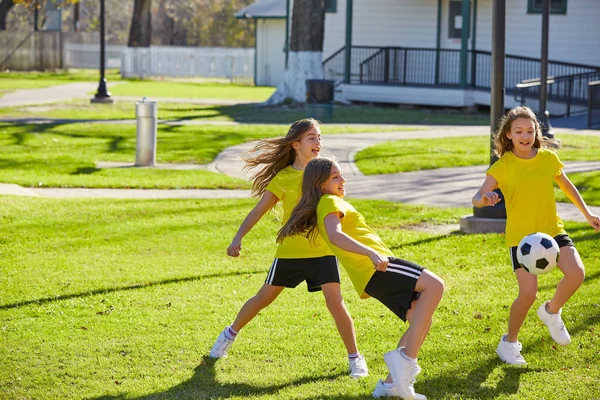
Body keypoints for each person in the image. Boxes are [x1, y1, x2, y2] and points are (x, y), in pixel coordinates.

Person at [209, 118, 368, 378]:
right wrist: (237, 238)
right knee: (263, 299)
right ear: (296, 144)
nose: (318, 143)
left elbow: (339, 202)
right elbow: (258, 211)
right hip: (290, 252)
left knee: (336, 303)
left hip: (322, 251)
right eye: (311, 138)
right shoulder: (283, 178)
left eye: (319, 137)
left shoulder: (325, 171)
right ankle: (228, 335)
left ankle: (355, 359)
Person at [278, 157, 444, 400]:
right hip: (377, 268)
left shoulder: (327, 202)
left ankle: (390, 386)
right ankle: (406, 360)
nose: (343, 180)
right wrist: (371, 252)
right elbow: (335, 236)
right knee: (436, 285)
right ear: (320, 185)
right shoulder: (330, 201)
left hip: (371, 274)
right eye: (335, 177)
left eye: (341, 174)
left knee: (420, 318)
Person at [472, 106, 600, 365]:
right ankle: (509, 343)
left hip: (552, 231)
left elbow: (567, 185)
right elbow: (476, 198)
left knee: (576, 273)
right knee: (528, 294)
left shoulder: (547, 159)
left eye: (530, 131)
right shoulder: (503, 166)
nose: (525, 136)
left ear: (536, 133)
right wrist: (485, 199)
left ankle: (551, 311)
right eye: (518, 131)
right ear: (508, 134)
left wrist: (587, 214)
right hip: (522, 241)